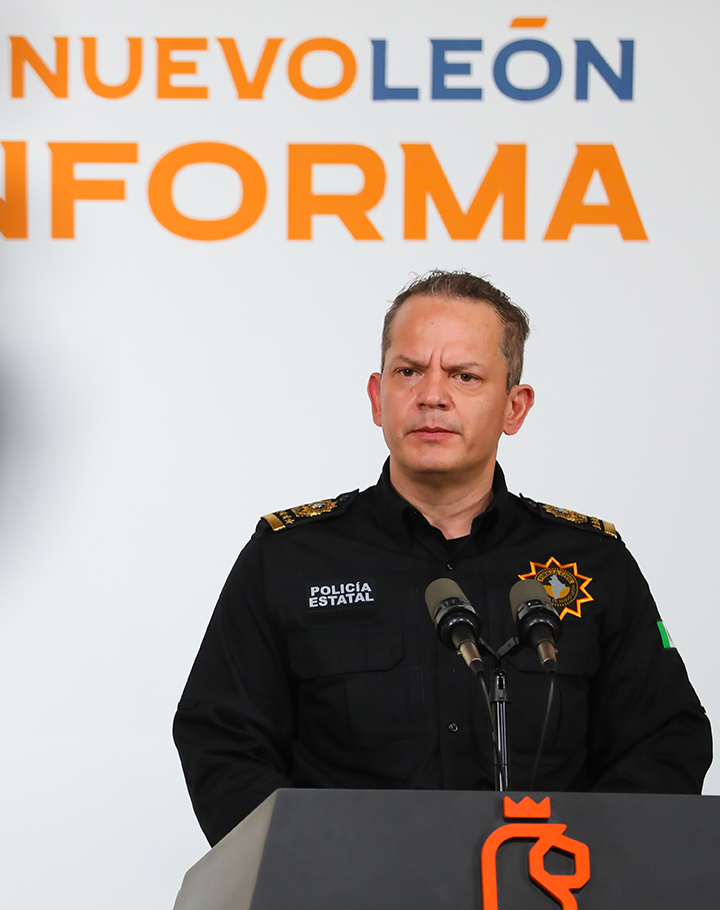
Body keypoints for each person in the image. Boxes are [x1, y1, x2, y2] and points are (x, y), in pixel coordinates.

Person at [173, 270, 712, 846]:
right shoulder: (289, 557)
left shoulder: (593, 561)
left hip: (552, 894)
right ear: (378, 397)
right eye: (409, 372)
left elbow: (665, 740)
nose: (432, 395)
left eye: (464, 375)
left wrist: (584, 864)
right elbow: (222, 738)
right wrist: (309, 867)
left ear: (514, 407)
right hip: (344, 896)